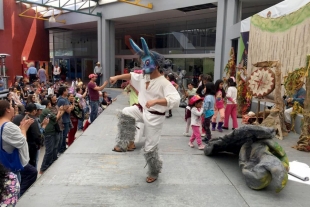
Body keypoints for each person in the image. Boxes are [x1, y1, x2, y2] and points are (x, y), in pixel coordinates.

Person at [109, 37, 180, 183]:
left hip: (155, 118)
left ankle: (154, 171)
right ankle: (124, 142)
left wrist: (156, 101)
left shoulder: (164, 82)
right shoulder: (144, 76)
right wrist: (116, 77)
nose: (144, 66)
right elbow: (131, 75)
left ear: (156, 64)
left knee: (149, 148)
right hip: (141, 110)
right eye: (143, 62)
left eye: (147, 62)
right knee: (126, 112)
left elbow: (175, 99)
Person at [40, 99, 64, 174]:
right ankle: (43, 167)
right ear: (48, 104)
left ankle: (52, 163)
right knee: (49, 150)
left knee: (54, 148)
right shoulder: (46, 111)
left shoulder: (47, 111)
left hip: (52, 131)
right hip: (49, 132)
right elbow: (56, 118)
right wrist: (60, 111)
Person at [57, 86, 74, 153]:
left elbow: (71, 107)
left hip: (67, 119)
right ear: (63, 92)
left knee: (65, 135)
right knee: (63, 136)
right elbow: (69, 111)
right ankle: (61, 149)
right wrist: (69, 108)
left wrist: (69, 107)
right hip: (63, 120)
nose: (68, 92)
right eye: (67, 90)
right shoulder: (61, 100)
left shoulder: (66, 99)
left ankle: (63, 147)